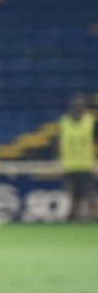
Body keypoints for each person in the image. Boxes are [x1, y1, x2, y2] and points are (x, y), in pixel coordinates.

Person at [58, 92, 97, 222]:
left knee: (90, 194)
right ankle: (74, 218)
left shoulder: (90, 121)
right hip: (70, 165)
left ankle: (93, 217)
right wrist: (59, 160)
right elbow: (60, 142)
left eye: (80, 106)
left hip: (86, 164)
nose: (78, 109)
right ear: (71, 108)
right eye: (75, 106)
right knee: (73, 195)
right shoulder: (64, 122)